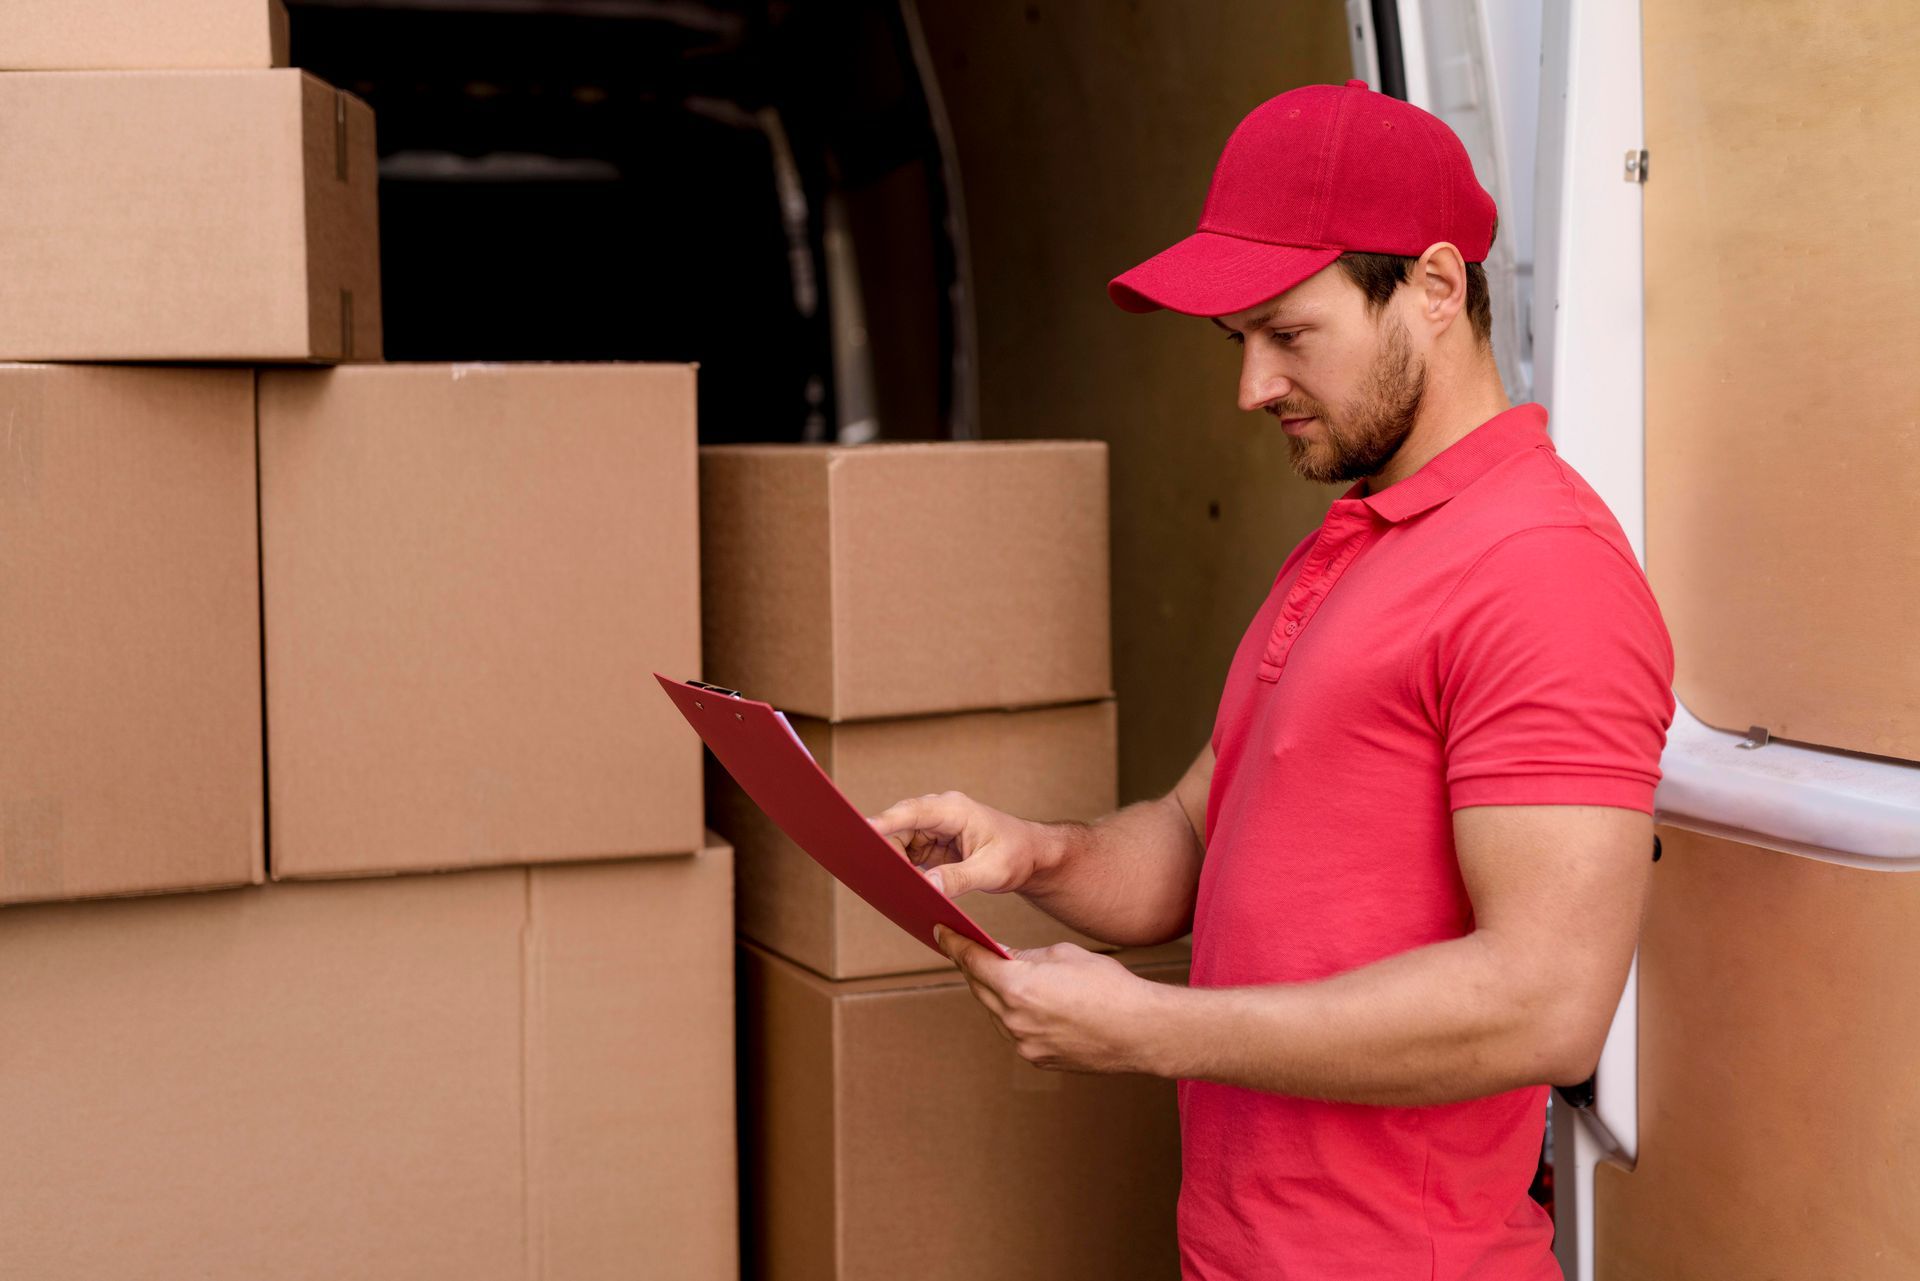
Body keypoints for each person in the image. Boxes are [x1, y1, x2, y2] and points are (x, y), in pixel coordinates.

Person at [866, 80, 1676, 1280]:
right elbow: (1201, 834)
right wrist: (1033, 851)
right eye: (1238, 343)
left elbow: (1544, 1001)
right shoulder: (1355, 542)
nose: (1250, 390)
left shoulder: (1542, 570)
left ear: (1437, 289)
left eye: (1289, 336)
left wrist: (1158, 1031)